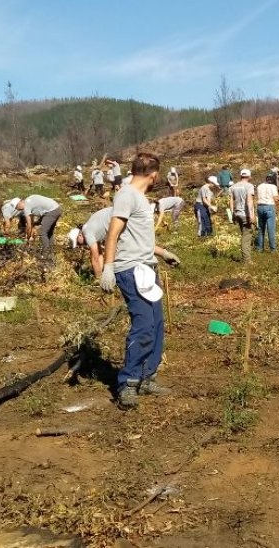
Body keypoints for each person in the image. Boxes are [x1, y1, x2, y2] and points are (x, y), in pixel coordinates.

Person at [98, 152, 181, 410]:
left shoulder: (140, 198)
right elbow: (113, 232)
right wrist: (108, 267)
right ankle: (128, 382)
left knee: (156, 324)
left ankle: (147, 377)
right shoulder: (126, 195)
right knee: (143, 325)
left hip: (147, 267)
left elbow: (139, 238)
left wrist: (163, 253)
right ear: (154, 175)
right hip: (131, 270)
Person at [68, 206, 114, 278]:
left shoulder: (87, 234)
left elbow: (95, 259)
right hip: (115, 213)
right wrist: (100, 273)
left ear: (80, 235)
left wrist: (98, 279)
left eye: (78, 243)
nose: (79, 246)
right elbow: (99, 254)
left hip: (118, 216)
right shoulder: (88, 228)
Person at [229, 169, 257, 262]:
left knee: (245, 234)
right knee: (247, 236)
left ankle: (246, 255)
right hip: (246, 214)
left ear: (241, 176)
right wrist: (251, 215)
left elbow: (231, 201)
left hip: (237, 213)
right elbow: (249, 200)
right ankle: (247, 260)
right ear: (249, 176)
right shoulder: (249, 186)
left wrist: (233, 214)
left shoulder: (233, 186)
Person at [255, 173, 279, 252]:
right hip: (269, 206)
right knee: (271, 229)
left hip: (260, 206)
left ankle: (260, 248)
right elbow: (276, 199)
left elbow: (257, 196)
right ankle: (273, 249)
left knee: (261, 228)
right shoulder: (273, 186)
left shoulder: (259, 186)